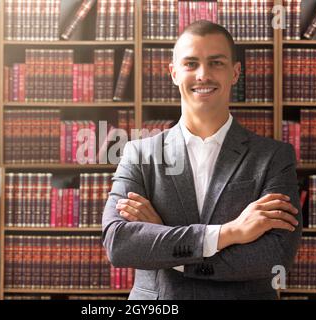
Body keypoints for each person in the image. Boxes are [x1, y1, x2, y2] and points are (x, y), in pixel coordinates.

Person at [101, 20, 302, 300]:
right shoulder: (138, 154)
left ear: (235, 73)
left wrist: (165, 245)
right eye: (191, 63)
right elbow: (120, 245)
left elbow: (275, 255)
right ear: (173, 73)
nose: (203, 74)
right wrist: (230, 232)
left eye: (216, 63)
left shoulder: (274, 157)